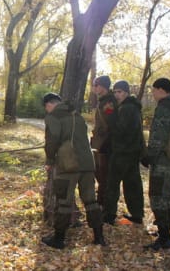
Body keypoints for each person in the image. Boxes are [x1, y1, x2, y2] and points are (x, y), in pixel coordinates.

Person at [41, 92, 106, 249]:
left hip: (68, 163)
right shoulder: (77, 115)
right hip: (88, 163)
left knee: (64, 201)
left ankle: (59, 238)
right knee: (91, 201)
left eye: (46, 107)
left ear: (49, 104)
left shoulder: (53, 117)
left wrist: (50, 160)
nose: (46, 110)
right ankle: (99, 237)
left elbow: (52, 141)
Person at [142, 78, 170, 250]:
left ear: (161, 89)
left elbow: (159, 135)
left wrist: (149, 155)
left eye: (154, 90)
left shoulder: (164, 108)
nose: (152, 93)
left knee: (157, 195)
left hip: (162, 159)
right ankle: (166, 233)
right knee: (168, 195)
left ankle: (165, 237)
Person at [102, 80, 144, 225]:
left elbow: (120, 130)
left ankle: (109, 215)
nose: (117, 95)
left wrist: (109, 113)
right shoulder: (134, 107)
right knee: (133, 184)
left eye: (119, 92)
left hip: (122, 152)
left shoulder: (127, 108)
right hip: (132, 152)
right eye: (115, 92)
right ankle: (137, 214)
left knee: (113, 184)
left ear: (126, 93)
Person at [91, 75, 117, 207]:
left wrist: (103, 143)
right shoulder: (103, 100)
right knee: (99, 173)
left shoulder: (108, 102)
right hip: (100, 143)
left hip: (105, 145)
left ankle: (103, 204)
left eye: (96, 85)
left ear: (103, 86)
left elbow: (110, 125)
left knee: (104, 176)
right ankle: (102, 202)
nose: (94, 88)